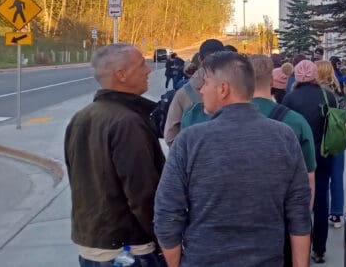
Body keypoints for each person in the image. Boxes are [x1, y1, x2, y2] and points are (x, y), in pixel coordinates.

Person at [154, 51, 312, 267]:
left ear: (223, 89)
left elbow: (167, 214)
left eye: (205, 83)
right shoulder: (284, 137)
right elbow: (300, 212)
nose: (201, 90)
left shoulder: (190, 141)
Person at [64, 43, 166, 267]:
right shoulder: (127, 123)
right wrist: (167, 241)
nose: (148, 70)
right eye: (142, 65)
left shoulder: (81, 117)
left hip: (92, 245)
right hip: (129, 250)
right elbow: (143, 194)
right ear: (121, 75)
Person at [249, 55, 317, 267]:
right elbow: (308, 179)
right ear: (271, 80)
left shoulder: (220, 121)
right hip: (282, 221)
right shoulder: (295, 121)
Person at [282, 59, 340, 263]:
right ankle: (319, 248)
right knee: (322, 200)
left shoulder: (290, 99)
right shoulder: (328, 96)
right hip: (323, 153)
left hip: (298, 155)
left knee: (297, 201)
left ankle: (298, 246)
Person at [163, 39, 225, 146]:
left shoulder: (183, 93)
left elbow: (170, 135)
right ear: (226, 59)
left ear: (200, 59)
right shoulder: (237, 89)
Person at [316, 60, 346, 230]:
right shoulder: (337, 90)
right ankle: (337, 213)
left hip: (323, 137)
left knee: (322, 176)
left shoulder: (318, 92)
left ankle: (323, 208)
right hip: (337, 137)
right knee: (337, 176)